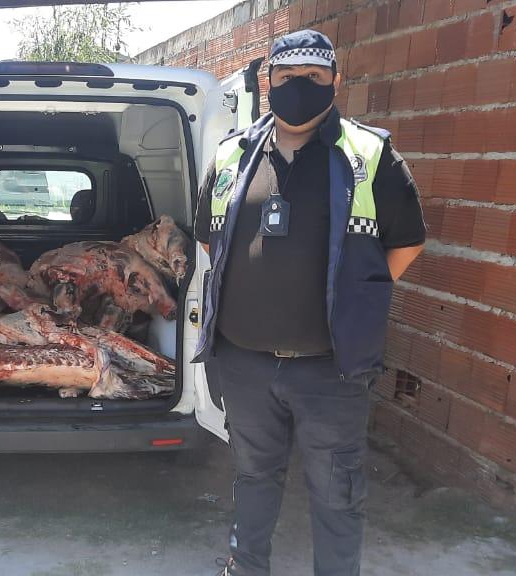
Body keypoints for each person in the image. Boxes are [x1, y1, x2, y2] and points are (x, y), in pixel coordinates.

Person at [192, 30, 426, 576]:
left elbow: (408, 240)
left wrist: (356, 300)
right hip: (245, 364)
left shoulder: (369, 154)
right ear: (266, 81)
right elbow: (211, 240)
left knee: (337, 492)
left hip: (330, 372)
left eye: (315, 79)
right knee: (252, 478)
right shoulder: (231, 156)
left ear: (335, 82)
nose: (300, 87)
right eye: (287, 77)